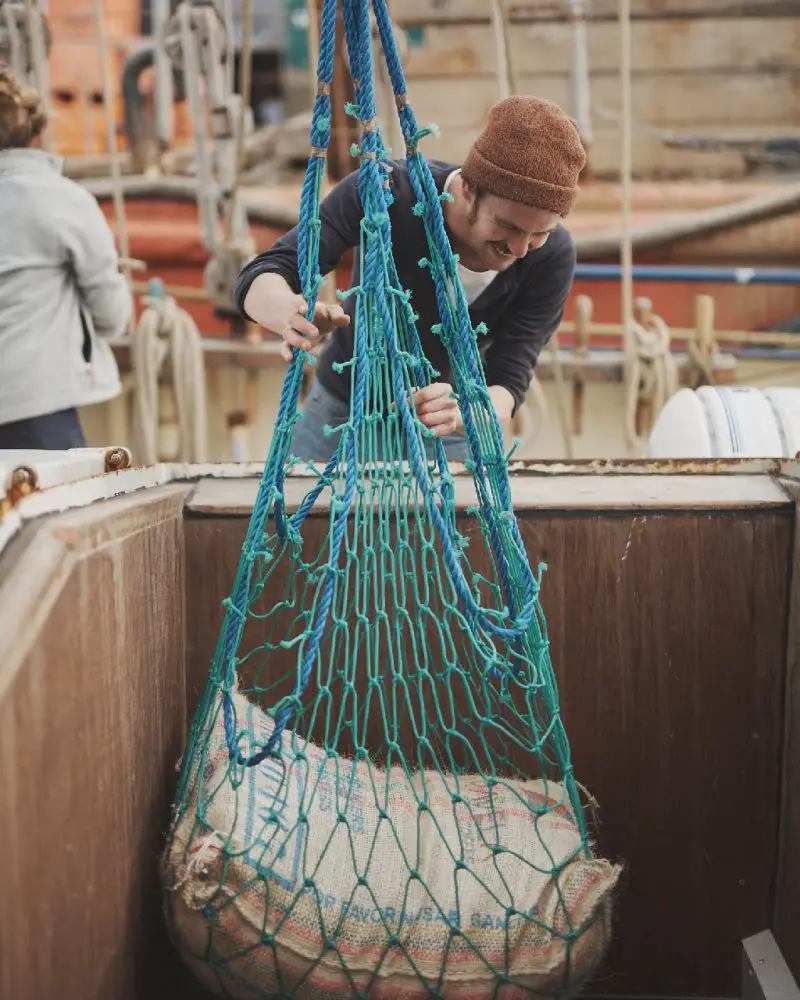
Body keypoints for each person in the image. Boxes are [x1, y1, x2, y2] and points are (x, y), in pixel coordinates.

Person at [235, 95, 586, 462]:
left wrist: (467, 411)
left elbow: (510, 377)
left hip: (452, 425)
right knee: (302, 514)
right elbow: (264, 274)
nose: (519, 248)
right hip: (344, 409)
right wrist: (288, 313)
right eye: (507, 226)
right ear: (469, 188)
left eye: (538, 234)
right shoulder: (386, 193)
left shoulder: (553, 255)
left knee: (458, 521)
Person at [0, 65, 132, 450]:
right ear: (40, 135)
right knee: (56, 507)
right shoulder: (63, 200)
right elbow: (112, 310)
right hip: (37, 406)